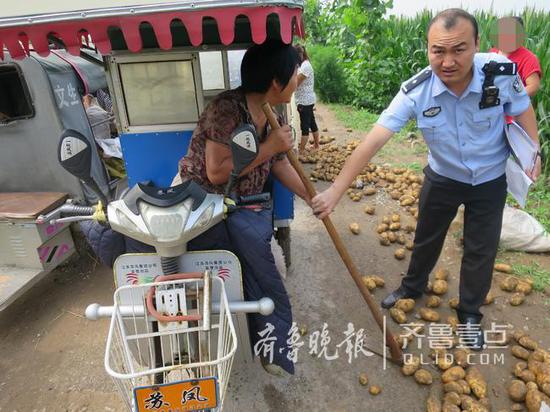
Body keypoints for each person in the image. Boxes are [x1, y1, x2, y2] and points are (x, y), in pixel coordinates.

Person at [311, 9, 540, 350]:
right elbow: (373, 140)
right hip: (443, 177)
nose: (448, 61)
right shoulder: (416, 91)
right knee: (426, 237)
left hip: (490, 179)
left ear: (477, 45)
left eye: (459, 49)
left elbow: (522, 107)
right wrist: (334, 191)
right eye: (438, 51)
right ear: (427, 49)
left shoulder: (502, 75)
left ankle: (470, 313)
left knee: (482, 247)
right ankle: (412, 287)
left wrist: (532, 151)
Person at [178, 39, 310, 375]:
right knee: (231, 274)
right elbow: (217, 172)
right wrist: (269, 146)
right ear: (276, 83)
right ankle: (207, 350)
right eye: (295, 75)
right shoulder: (226, 110)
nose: (299, 81)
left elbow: (279, 164)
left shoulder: (272, 111)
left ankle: (269, 347)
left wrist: (312, 197)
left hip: (244, 205)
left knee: (260, 270)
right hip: (204, 205)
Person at [489, 16, 542, 99]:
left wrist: (510, 98)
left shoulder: (529, 58)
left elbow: (533, 87)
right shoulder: (492, 52)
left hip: (514, 108)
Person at [294, 44, 320, 155]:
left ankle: (302, 150)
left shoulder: (305, 66)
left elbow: (296, 83)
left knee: (304, 125)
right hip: (307, 100)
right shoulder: (304, 65)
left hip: (304, 101)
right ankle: (316, 145)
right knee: (312, 122)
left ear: (300, 54)